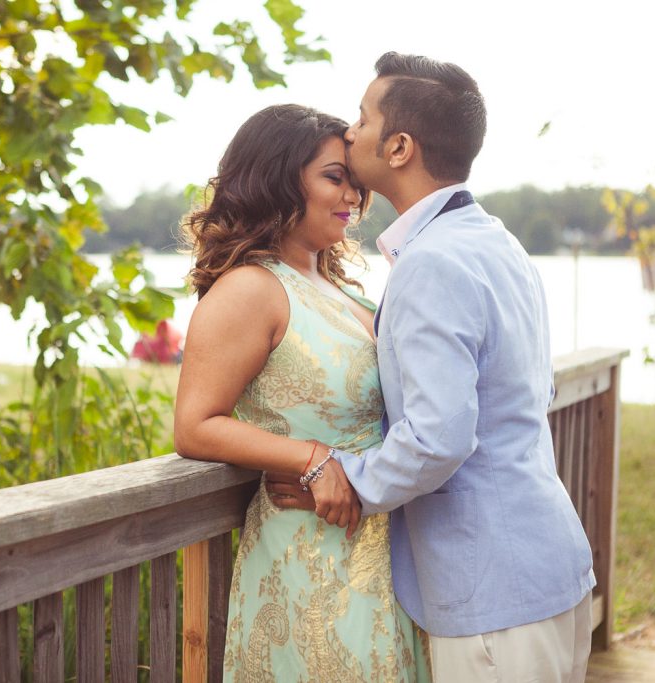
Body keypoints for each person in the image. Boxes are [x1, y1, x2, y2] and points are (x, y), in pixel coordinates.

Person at [268, 53, 596, 682]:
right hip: (549, 564)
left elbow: (439, 436)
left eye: (362, 118)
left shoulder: (431, 264)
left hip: (493, 593)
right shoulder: (496, 240)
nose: (349, 130)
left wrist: (346, 480)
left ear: (398, 146)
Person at [173, 104, 431, 681]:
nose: (353, 199)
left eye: (355, 183)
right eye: (334, 178)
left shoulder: (339, 288)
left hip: (385, 551)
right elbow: (195, 424)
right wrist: (311, 459)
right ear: (277, 176)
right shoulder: (250, 288)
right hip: (311, 555)